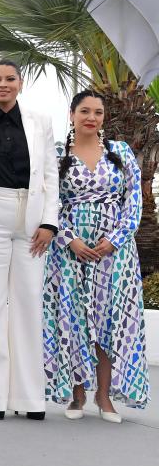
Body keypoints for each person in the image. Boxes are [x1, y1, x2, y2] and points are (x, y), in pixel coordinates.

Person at [43, 90, 150, 421]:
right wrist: (70, 239)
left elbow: (133, 199)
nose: (92, 117)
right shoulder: (57, 153)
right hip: (70, 252)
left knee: (109, 320)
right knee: (73, 320)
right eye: (85, 111)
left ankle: (104, 398)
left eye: (98, 112)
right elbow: (48, 201)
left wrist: (115, 239)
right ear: (72, 114)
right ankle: (77, 397)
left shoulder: (120, 152)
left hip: (114, 253)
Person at [0, 60, 58, 421]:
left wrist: (50, 222)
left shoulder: (40, 121)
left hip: (32, 220)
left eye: (9, 79)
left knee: (28, 304)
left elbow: (50, 174)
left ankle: (29, 397)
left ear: (20, 83)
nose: (3, 85)